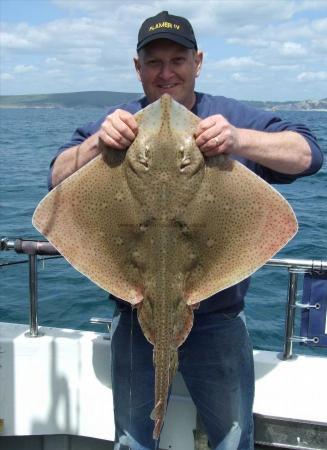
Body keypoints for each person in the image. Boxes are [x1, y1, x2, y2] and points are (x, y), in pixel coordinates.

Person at [48, 11, 323, 450]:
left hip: (218, 319)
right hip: (135, 312)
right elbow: (56, 178)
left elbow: (309, 153)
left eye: (178, 59)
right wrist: (97, 144)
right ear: (137, 68)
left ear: (198, 62)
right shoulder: (116, 122)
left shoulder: (229, 115)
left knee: (231, 440)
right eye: (154, 62)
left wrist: (239, 141)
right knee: (132, 441)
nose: (166, 72)